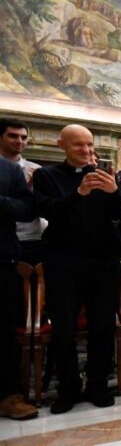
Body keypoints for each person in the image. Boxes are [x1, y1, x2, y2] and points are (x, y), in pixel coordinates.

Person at [33, 125, 121, 414]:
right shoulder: (46, 175)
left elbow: (120, 215)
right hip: (64, 264)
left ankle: (98, 385)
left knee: (103, 326)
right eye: (79, 146)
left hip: (103, 264)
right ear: (62, 145)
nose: (86, 151)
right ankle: (68, 389)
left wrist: (113, 192)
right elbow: (49, 211)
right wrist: (79, 193)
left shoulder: (104, 176)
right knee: (64, 330)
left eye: (89, 145)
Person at [0, 145, 36, 420]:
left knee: (4, 331)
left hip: (2, 258)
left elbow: (26, 209)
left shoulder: (10, 169)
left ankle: (8, 396)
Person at [0, 119, 45, 264]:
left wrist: (34, 189)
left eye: (24, 137)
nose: (19, 141)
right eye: (13, 136)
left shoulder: (38, 170)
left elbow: (42, 206)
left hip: (32, 237)